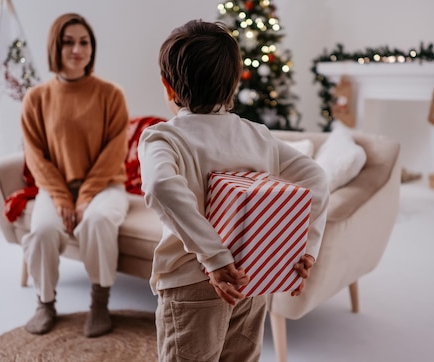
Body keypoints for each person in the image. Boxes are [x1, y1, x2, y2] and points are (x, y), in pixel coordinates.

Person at [138, 19, 329, 361]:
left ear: (169, 88)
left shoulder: (164, 137)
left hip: (189, 286)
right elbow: (316, 177)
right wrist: (306, 248)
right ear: (233, 86)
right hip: (251, 280)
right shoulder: (257, 135)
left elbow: (159, 185)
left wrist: (214, 258)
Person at [20, 13, 130, 338]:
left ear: (92, 48)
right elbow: (36, 156)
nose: (77, 49)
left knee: (96, 221)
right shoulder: (36, 98)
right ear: (56, 46)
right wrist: (60, 197)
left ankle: (99, 302)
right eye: (68, 42)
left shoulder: (111, 94)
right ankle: (45, 302)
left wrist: (84, 197)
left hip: (105, 186)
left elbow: (114, 151)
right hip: (56, 189)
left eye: (84, 42)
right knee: (40, 231)